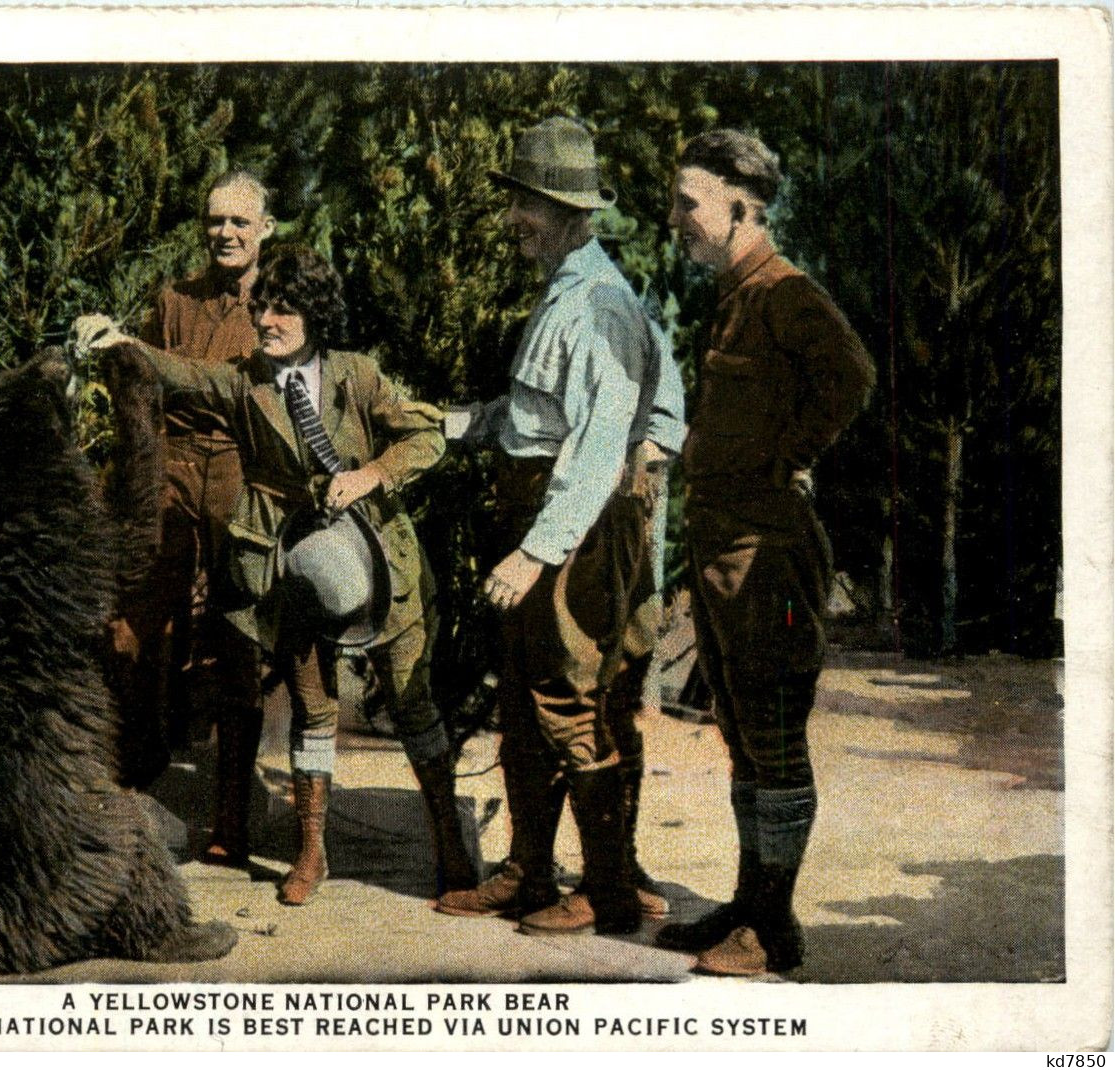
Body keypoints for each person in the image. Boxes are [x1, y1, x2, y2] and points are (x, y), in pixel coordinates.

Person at [79, 245, 476, 907]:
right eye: (261, 306)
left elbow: (425, 435)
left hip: (380, 564)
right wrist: (122, 343)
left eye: (283, 308)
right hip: (291, 565)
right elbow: (181, 373)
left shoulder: (355, 375)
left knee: (412, 705)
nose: (266, 319)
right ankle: (310, 851)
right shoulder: (242, 381)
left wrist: (370, 474)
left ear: (313, 313)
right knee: (311, 711)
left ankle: (450, 845)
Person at [433, 116, 686, 937]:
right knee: (522, 700)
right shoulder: (567, 292)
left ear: (575, 214)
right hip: (542, 509)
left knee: (575, 700)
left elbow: (597, 448)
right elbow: (539, 415)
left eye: (529, 205)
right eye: (514, 200)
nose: (513, 218)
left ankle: (608, 888)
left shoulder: (602, 306)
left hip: (569, 524)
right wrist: (454, 425)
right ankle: (528, 871)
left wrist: (536, 553)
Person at [654, 129, 874, 974]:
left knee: (774, 735)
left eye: (688, 203)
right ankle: (748, 906)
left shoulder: (785, 293)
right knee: (741, 733)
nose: (675, 219)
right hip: (724, 549)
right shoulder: (736, 294)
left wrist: (789, 456)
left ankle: (772, 928)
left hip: (767, 553)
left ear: (739, 208)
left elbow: (850, 376)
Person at [108, 172, 271, 864]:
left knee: (239, 637)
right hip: (172, 467)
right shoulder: (174, 301)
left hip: (240, 468)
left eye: (239, 222)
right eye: (214, 221)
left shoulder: (277, 304)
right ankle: (121, 784)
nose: (225, 234)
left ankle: (230, 816)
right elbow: (139, 389)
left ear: (265, 228)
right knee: (135, 624)